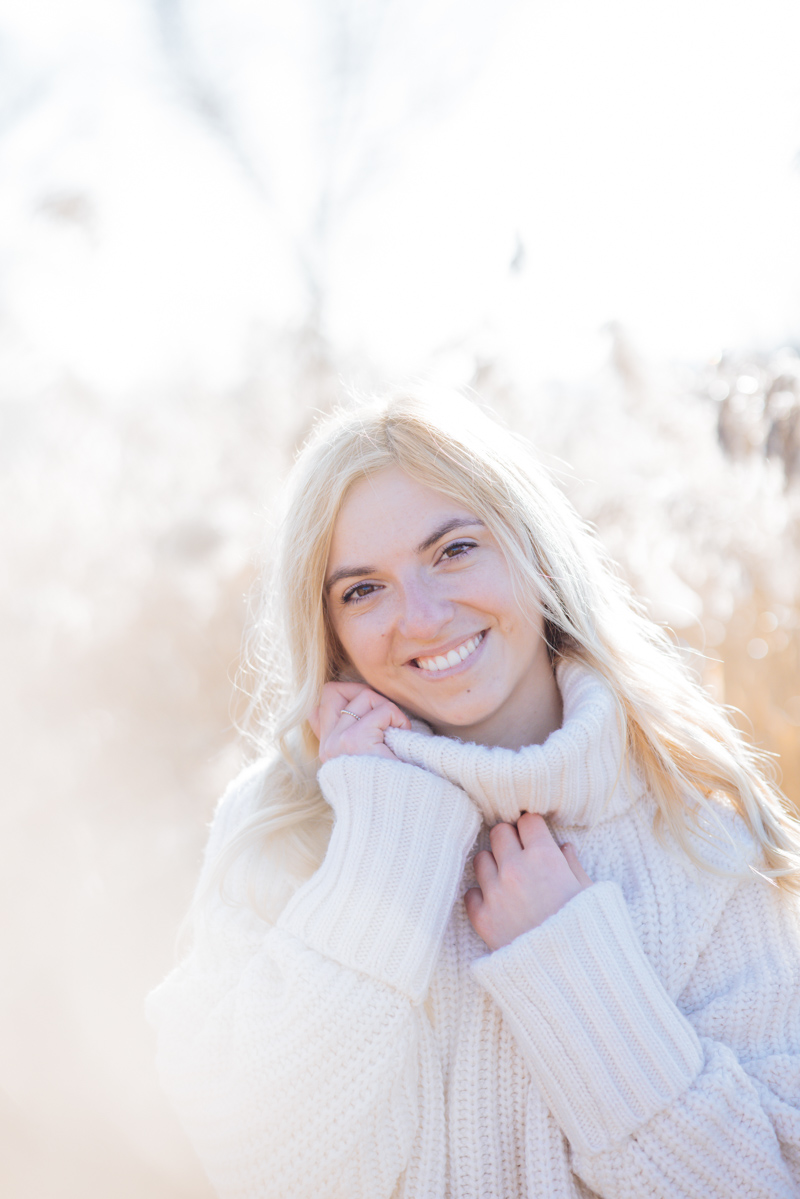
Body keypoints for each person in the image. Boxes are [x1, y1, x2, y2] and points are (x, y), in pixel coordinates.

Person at [147, 391, 800, 1198]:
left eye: (454, 550)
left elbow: (763, 1182)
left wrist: (573, 965)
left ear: (534, 551)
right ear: (331, 630)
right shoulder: (285, 827)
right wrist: (381, 854)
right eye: (362, 590)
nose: (421, 617)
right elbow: (265, 1164)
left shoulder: (697, 826)